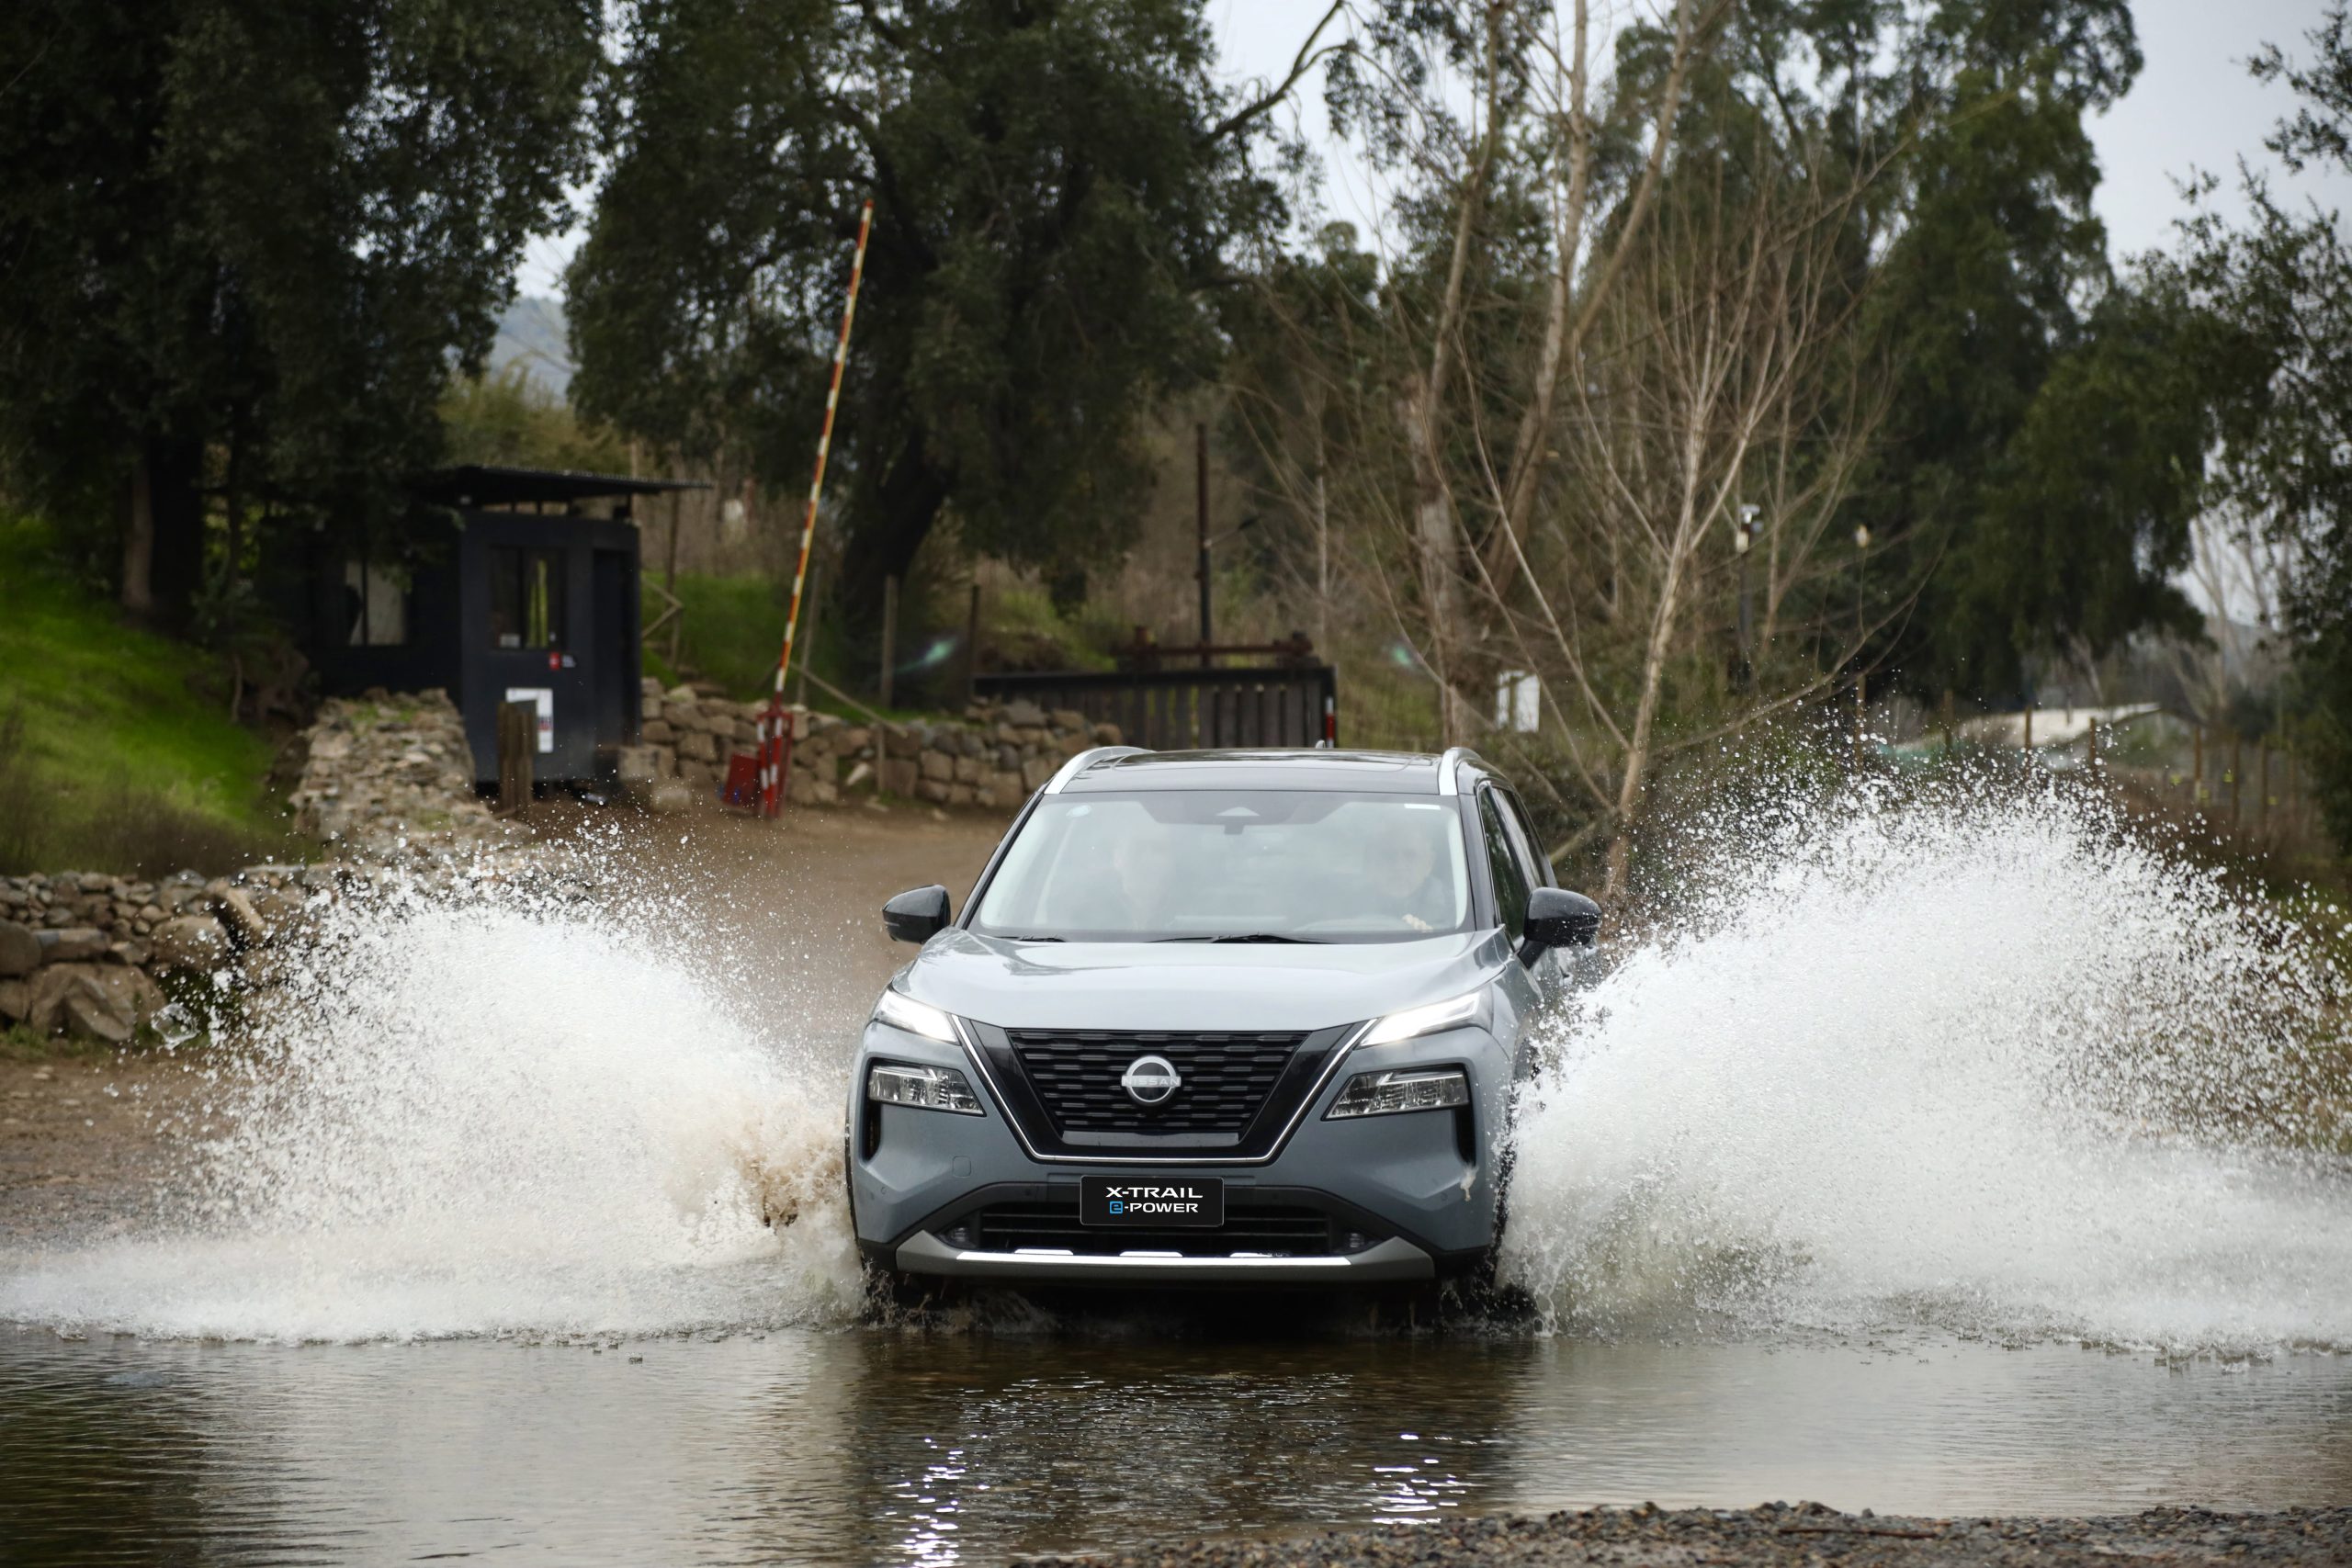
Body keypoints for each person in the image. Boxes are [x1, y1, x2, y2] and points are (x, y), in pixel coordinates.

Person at [1370, 823, 1456, 933]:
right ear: (1374, 863)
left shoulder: (1455, 911)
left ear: (1429, 863)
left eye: (1410, 855)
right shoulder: (1354, 902)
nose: (1399, 866)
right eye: (1389, 855)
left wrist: (1429, 938)